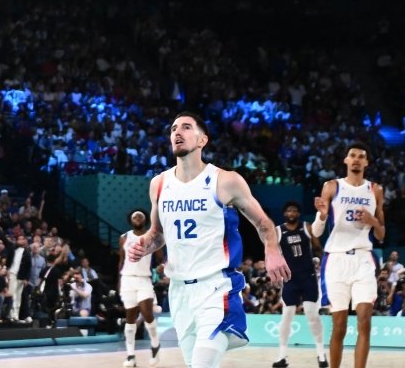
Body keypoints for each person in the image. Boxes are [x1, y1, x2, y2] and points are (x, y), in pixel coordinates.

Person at [129, 113, 289, 368]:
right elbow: (158, 234)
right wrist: (144, 245)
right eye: (173, 128)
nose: (177, 132)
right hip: (179, 290)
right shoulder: (159, 184)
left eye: (186, 127)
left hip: (216, 287)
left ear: (203, 139)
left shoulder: (225, 180)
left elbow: (263, 223)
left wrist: (272, 251)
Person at [313, 142, 385, 368]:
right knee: (340, 325)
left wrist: (373, 221)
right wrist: (322, 216)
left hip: (363, 258)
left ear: (366, 162)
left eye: (361, 156)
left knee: (365, 321)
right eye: (352, 155)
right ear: (345, 160)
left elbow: (381, 234)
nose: (356, 159)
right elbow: (316, 232)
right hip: (336, 259)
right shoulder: (332, 186)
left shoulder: (375, 190)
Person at [272, 202, 327, 368]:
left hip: (308, 277)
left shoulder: (307, 227)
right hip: (290, 279)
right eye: (289, 210)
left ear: (298, 213)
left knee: (312, 315)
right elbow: (273, 253)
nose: (292, 212)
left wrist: (322, 262)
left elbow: (318, 248)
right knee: (286, 316)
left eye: (295, 210)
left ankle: (321, 354)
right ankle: (282, 357)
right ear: (284, 213)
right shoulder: (278, 231)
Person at [119, 208, 162, 368]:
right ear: (130, 220)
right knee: (130, 318)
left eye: (140, 216)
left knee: (146, 313)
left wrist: (162, 267)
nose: (137, 218)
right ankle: (131, 356)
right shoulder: (124, 238)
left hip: (144, 280)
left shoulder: (152, 237)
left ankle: (155, 344)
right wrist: (119, 282)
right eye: (134, 216)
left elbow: (161, 258)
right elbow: (121, 261)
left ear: (145, 220)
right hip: (127, 280)